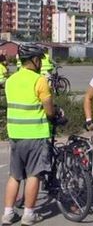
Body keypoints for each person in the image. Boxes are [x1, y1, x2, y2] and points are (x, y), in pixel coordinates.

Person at [2, 44, 55, 225]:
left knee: (15, 175)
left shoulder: (11, 80)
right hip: (34, 133)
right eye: (39, 59)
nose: (40, 62)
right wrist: (55, 115)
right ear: (34, 60)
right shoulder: (39, 80)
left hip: (15, 134)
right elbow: (49, 109)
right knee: (34, 174)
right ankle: (29, 214)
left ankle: (8, 214)